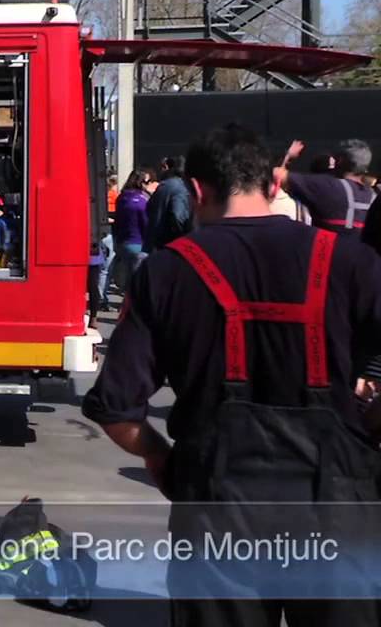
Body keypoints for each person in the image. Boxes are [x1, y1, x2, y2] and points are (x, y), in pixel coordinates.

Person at [83, 124, 381, 626]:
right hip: (338, 506)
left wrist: (161, 461)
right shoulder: (351, 260)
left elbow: (116, 408)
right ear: (273, 187)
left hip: (219, 510)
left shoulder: (168, 271)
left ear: (197, 191)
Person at [277, 138, 376, 236]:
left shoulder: (327, 186)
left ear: (339, 160)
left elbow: (277, 175)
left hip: (327, 250)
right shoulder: (374, 197)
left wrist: (288, 156)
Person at [108, 168, 157, 294]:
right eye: (148, 182)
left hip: (123, 242)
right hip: (139, 242)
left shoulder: (122, 197)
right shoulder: (143, 200)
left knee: (127, 278)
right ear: (141, 182)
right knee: (138, 280)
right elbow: (146, 223)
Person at [144, 155, 192, 252]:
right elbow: (178, 216)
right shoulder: (180, 188)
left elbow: (148, 208)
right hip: (170, 247)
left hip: (155, 244)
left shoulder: (163, 186)